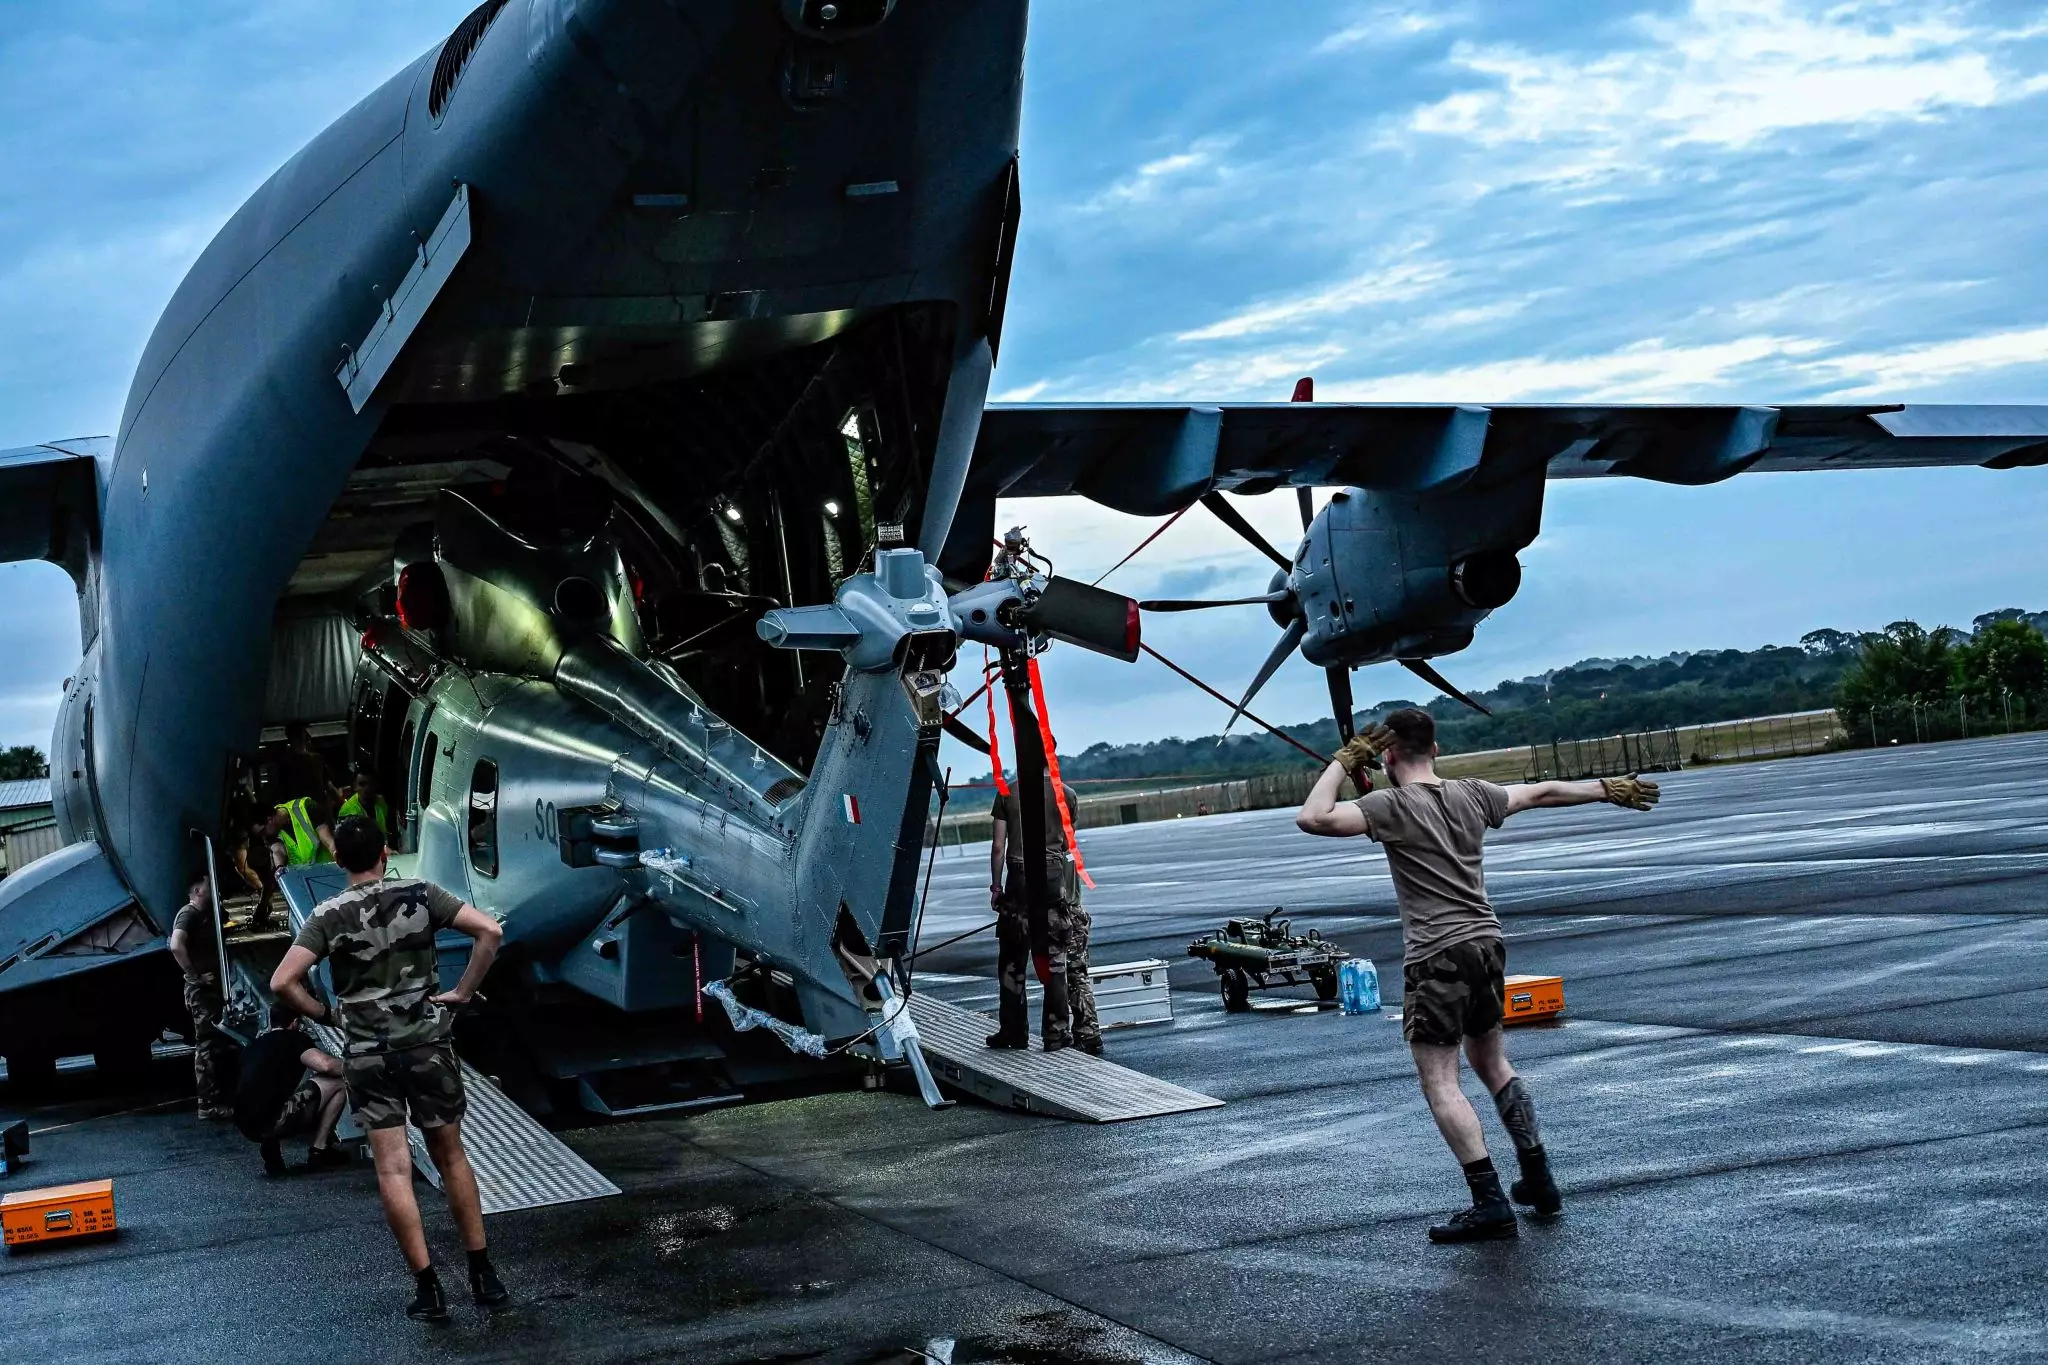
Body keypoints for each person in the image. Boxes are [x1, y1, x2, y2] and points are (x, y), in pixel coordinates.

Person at [1295, 708, 1661, 1243]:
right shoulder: (1474, 794)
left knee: (1440, 1080)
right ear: (1437, 750)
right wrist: (1605, 788)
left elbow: (1313, 816)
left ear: (1388, 755)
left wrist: (1342, 760)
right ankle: (1537, 1176)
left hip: (1436, 955)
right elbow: (1540, 793)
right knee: (1492, 1062)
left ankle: (1489, 1202)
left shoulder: (1390, 805)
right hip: (1487, 945)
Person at [270, 816, 509, 1321]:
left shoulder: (328, 914)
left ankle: (428, 1289)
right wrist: (462, 992)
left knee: (394, 1168)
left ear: (338, 862)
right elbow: (489, 931)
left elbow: (283, 981)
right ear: (386, 853)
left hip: (367, 1056)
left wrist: (327, 1014)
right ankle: (483, 1276)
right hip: (426, 1044)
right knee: (451, 1157)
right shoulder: (420, 894)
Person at [986, 774, 1101, 1056]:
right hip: (1052, 879)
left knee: (1012, 959)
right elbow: (1066, 843)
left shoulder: (1006, 792)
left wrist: (997, 886)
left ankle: (1014, 1030)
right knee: (1056, 960)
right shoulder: (1067, 794)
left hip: (1018, 879)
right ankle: (1056, 1033)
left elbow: (999, 846)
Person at [233, 1004, 349, 1176]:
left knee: (269, 1096)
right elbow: (325, 1066)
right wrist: (357, 1066)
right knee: (339, 1081)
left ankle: (270, 1142)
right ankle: (320, 1149)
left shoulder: (252, 1046)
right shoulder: (294, 1037)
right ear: (295, 1022)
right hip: (276, 1120)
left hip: (245, 1124)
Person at [167, 870, 233, 1119]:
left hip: (211, 990)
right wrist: (195, 976)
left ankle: (218, 1098)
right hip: (200, 991)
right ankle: (208, 1104)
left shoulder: (207, 915)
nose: (212, 888)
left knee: (217, 1043)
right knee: (206, 1045)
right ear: (196, 890)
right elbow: (176, 945)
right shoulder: (189, 913)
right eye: (208, 885)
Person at [278, 720, 341, 807]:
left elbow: (328, 786)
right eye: (304, 733)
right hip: (304, 812)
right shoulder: (285, 764)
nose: (308, 736)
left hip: (314, 811)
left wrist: (342, 804)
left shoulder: (317, 759)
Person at [338, 770, 394, 846]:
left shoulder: (382, 801)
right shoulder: (348, 810)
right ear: (354, 786)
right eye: (362, 784)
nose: (367, 788)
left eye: (370, 783)